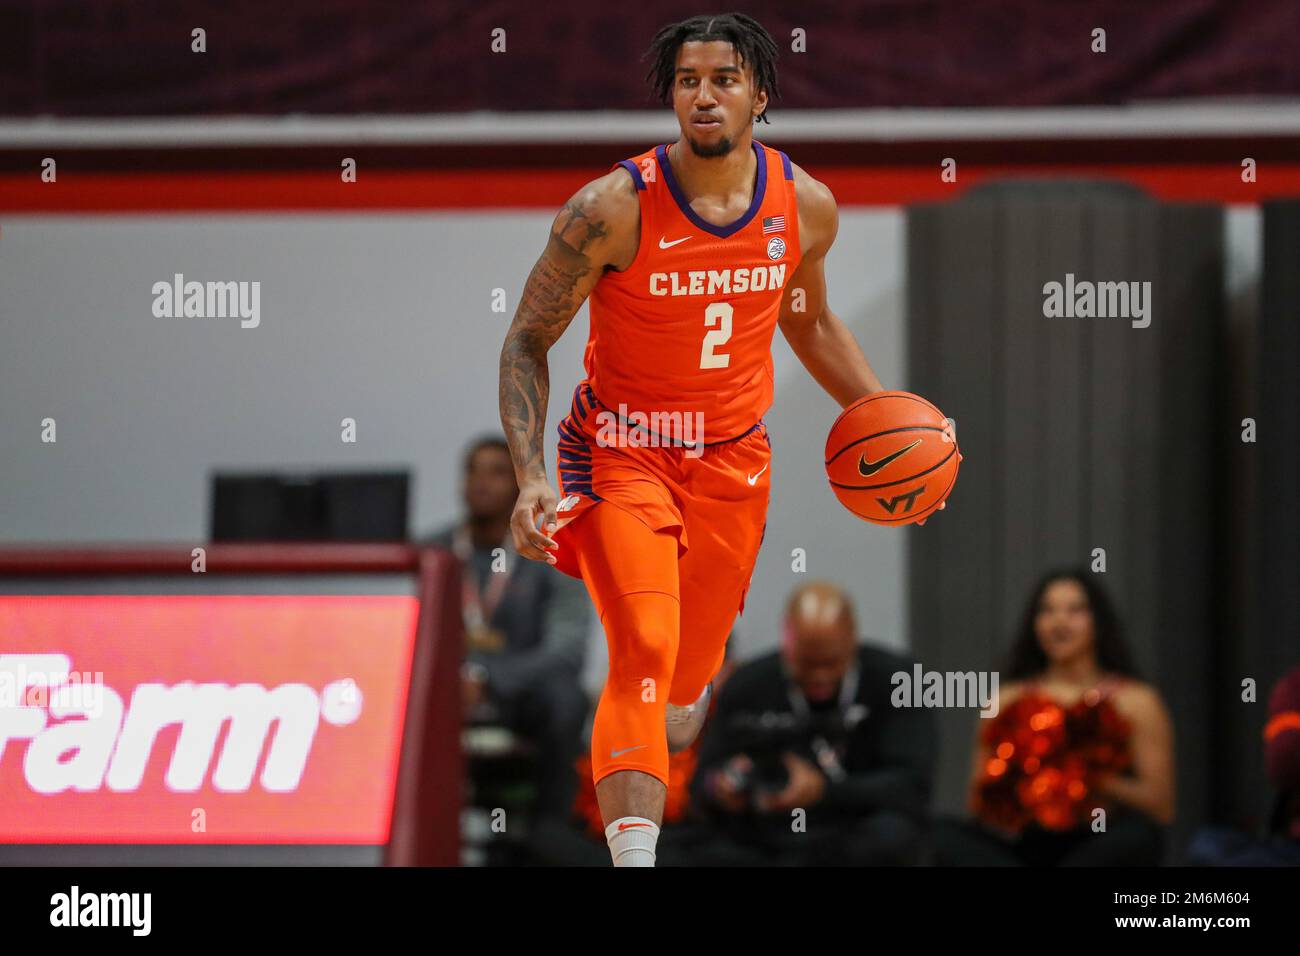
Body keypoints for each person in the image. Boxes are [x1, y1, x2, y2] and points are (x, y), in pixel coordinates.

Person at [498, 13, 947, 867]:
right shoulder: (608, 210)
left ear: (760, 95)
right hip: (623, 448)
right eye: (688, 80)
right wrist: (528, 477)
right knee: (644, 646)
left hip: (733, 457)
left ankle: (673, 705)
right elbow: (524, 341)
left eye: (724, 79)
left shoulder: (803, 205)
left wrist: (892, 423)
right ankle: (633, 858)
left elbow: (808, 322)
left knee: (687, 676)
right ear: (671, 96)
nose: (705, 96)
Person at [681, 582, 936, 865]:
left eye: (831, 662)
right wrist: (722, 786)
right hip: (767, 834)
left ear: (852, 639)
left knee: (894, 838)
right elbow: (702, 782)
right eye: (806, 663)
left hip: (853, 829)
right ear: (787, 642)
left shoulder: (898, 681)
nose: (819, 676)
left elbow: (912, 786)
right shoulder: (748, 685)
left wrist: (824, 790)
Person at [935, 569, 1174, 866]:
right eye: (1047, 611)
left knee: (1141, 836)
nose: (1059, 622)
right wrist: (1022, 772)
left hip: (1095, 840)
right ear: (1034, 624)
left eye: (1075, 610)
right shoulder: (1007, 699)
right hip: (1024, 842)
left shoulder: (1136, 700)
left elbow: (1161, 806)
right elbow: (977, 803)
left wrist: (1084, 772)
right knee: (938, 834)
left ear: (1098, 622)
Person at [426, 435, 592, 844]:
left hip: (517, 693)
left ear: (521, 489)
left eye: (497, 473)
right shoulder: (432, 552)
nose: (482, 482)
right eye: (473, 471)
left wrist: (487, 679)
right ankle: (419, 822)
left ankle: (548, 833)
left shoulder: (550, 551)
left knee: (566, 698)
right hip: (443, 692)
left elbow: (565, 651)